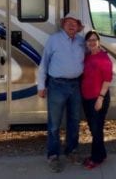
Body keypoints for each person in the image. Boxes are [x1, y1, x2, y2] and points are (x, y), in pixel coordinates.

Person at [37, 12, 85, 173]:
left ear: (78, 26)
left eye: (75, 23)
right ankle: (53, 156)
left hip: (75, 86)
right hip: (57, 85)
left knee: (74, 121)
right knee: (54, 124)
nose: (71, 25)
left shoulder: (81, 41)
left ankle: (71, 151)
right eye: (68, 22)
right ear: (63, 25)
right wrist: (41, 86)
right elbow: (44, 63)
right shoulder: (54, 40)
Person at [81, 30, 113, 170]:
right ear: (86, 43)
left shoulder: (104, 58)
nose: (92, 42)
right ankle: (102, 154)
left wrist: (100, 98)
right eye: (89, 40)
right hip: (87, 98)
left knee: (96, 129)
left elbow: (107, 80)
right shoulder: (88, 57)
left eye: (94, 40)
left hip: (98, 98)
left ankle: (96, 158)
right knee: (95, 129)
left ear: (99, 41)